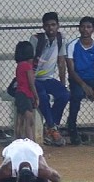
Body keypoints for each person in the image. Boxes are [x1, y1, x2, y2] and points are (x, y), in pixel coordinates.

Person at [64, 16, 94, 146]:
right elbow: (71, 71)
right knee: (76, 95)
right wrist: (84, 86)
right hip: (77, 80)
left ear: (93, 29)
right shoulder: (72, 45)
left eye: (88, 27)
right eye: (83, 27)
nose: (85, 30)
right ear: (79, 28)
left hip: (93, 79)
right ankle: (72, 127)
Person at [29, 12, 68, 146]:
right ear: (43, 27)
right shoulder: (35, 39)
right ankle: (52, 128)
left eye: (53, 25)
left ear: (58, 26)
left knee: (64, 95)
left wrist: (63, 83)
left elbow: (61, 62)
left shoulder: (61, 38)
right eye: (47, 26)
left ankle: (51, 126)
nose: (50, 28)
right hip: (34, 78)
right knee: (43, 97)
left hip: (48, 78)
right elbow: (28, 62)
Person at [11, 40, 38, 141]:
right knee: (29, 120)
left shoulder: (20, 65)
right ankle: (31, 142)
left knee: (20, 120)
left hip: (19, 94)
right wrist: (36, 97)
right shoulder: (27, 66)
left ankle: (17, 140)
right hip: (25, 94)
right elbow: (31, 83)